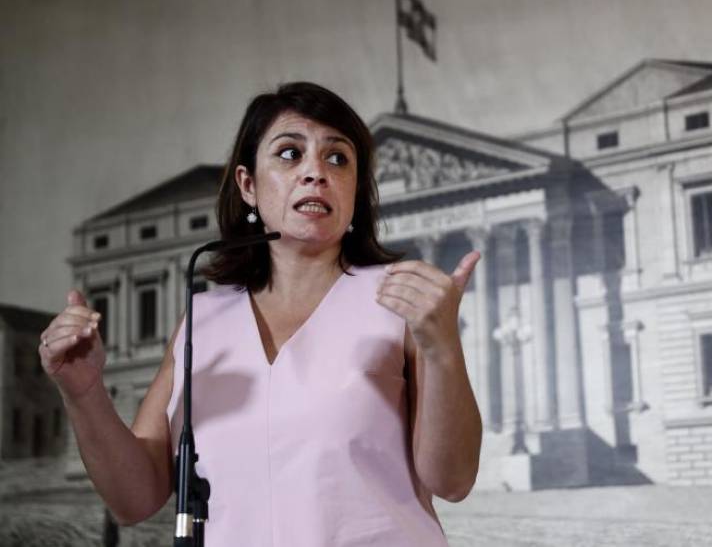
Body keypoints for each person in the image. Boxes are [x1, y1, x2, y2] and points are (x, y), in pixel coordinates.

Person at [38, 82, 483, 546]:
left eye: (337, 158)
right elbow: (135, 500)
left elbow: (453, 481)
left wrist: (442, 347)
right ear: (248, 185)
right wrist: (84, 393)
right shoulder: (203, 321)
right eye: (290, 154)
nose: (315, 172)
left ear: (356, 190)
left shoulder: (399, 300)